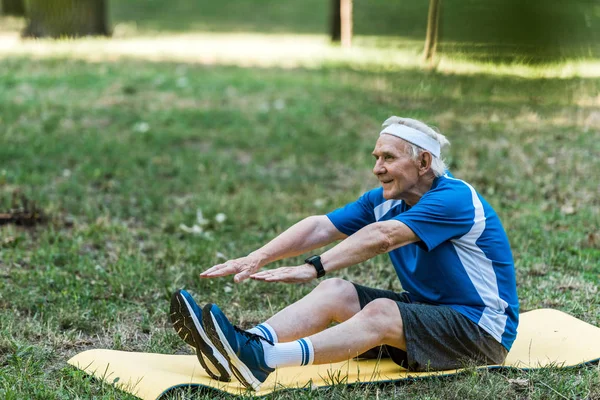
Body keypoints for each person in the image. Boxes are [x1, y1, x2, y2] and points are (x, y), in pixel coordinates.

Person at [170, 116, 519, 391]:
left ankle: (264, 358)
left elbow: (383, 237)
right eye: (376, 157)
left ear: (424, 162)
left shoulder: (454, 199)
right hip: (430, 317)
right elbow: (320, 227)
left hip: (481, 333)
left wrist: (314, 267)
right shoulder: (385, 201)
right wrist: (257, 256)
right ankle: (241, 348)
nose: (377, 168)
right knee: (335, 291)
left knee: (381, 311)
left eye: (388, 158)